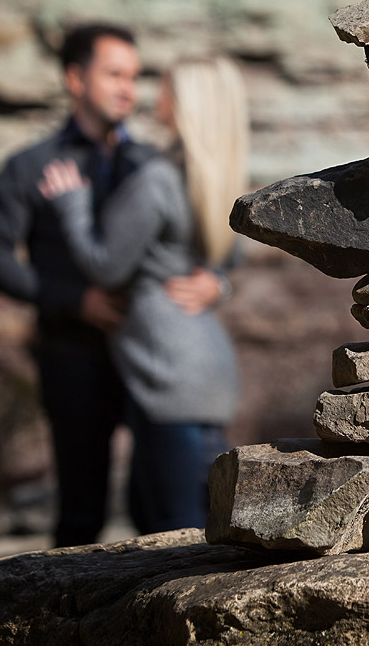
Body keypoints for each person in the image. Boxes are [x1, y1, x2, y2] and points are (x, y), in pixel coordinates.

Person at [38, 56, 248, 532]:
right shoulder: (214, 176)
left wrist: (71, 207)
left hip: (167, 372)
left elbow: (106, 266)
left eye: (166, 87)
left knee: (175, 531)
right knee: (180, 519)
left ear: (187, 104)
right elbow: (232, 255)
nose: (154, 97)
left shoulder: (158, 179)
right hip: (206, 369)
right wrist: (220, 283)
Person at [0, 23, 163, 547]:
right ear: (75, 80)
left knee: (164, 511)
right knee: (81, 515)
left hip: (150, 352)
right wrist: (75, 300)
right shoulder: (30, 166)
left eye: (135, 76)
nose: (128, 88)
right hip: (71, 354)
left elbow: (193, 247)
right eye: (114, 74)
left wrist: (214, 283)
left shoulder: (151, 165)